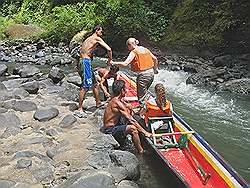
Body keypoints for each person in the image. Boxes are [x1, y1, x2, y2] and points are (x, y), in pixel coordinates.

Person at [103, 80, 152, 154]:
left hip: (114, 124)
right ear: (121, 90)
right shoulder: (117, 103)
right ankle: (141, 151)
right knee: (133, 128)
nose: (126, 91)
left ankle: (129, 139)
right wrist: (145, 132)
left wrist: (131, 107)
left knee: (129, 112)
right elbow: (132, 120)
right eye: (125, 89)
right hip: (110, 130)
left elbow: (128, 107)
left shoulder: (116, 99)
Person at [77, 25, 113, 114]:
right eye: (101, 31)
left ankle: (98, 102)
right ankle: (80, 109)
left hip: (84, 61)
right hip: (85, 62)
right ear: (97, 30)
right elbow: (109, 49)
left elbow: (81, 50)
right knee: (85, 86)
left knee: (95, 84)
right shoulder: (96, 38)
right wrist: (110, 60)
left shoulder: (88, 39)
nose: (102, 33)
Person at [110, 38, 158, 103]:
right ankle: (149, 104)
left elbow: (125, 64)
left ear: (130, 45)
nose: (128, 48)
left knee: (141, 96)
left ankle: (142, 110)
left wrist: (113, 63)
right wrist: (155, 69)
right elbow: (155, 59)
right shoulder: (145, 49)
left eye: (128, 46)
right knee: (145, 92)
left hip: (143, 76)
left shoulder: (134, 52)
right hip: (151, 74)